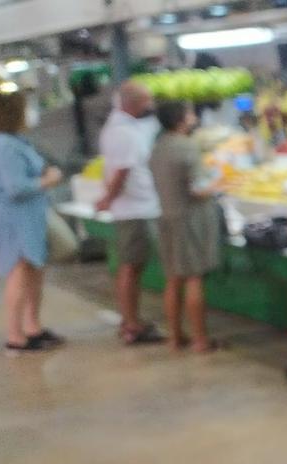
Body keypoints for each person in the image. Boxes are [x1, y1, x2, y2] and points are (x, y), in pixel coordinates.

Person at [0, 92, 67, 353]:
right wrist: (48, 180)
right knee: (19, 271)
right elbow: (15, 187)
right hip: (13, 215)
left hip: (26, 214)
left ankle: (32, 327)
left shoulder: (12, 142)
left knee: (32, 270)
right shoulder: (4, 145)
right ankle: (16, 334)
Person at [95, 80, 164, 345]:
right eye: (147, 100)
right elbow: (121, 172)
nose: (151, 105)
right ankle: (131, 324)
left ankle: (131, 320)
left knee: (133, 266)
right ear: (133, 103)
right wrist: (107, 199)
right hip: (134, 209)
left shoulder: (125, 127)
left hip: (136, 206)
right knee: (130, 267)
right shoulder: (122, 132)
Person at [151, 101, 222, 353]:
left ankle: (174, 337)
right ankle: (200, 339)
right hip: (189, 219)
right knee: (193, 277)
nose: (193, 117)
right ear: (181, 120)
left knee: (173, 278)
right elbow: (197, 189)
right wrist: (217, 184)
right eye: (190, 113)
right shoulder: (187, 147)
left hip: (166, 216)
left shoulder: (158, 146)